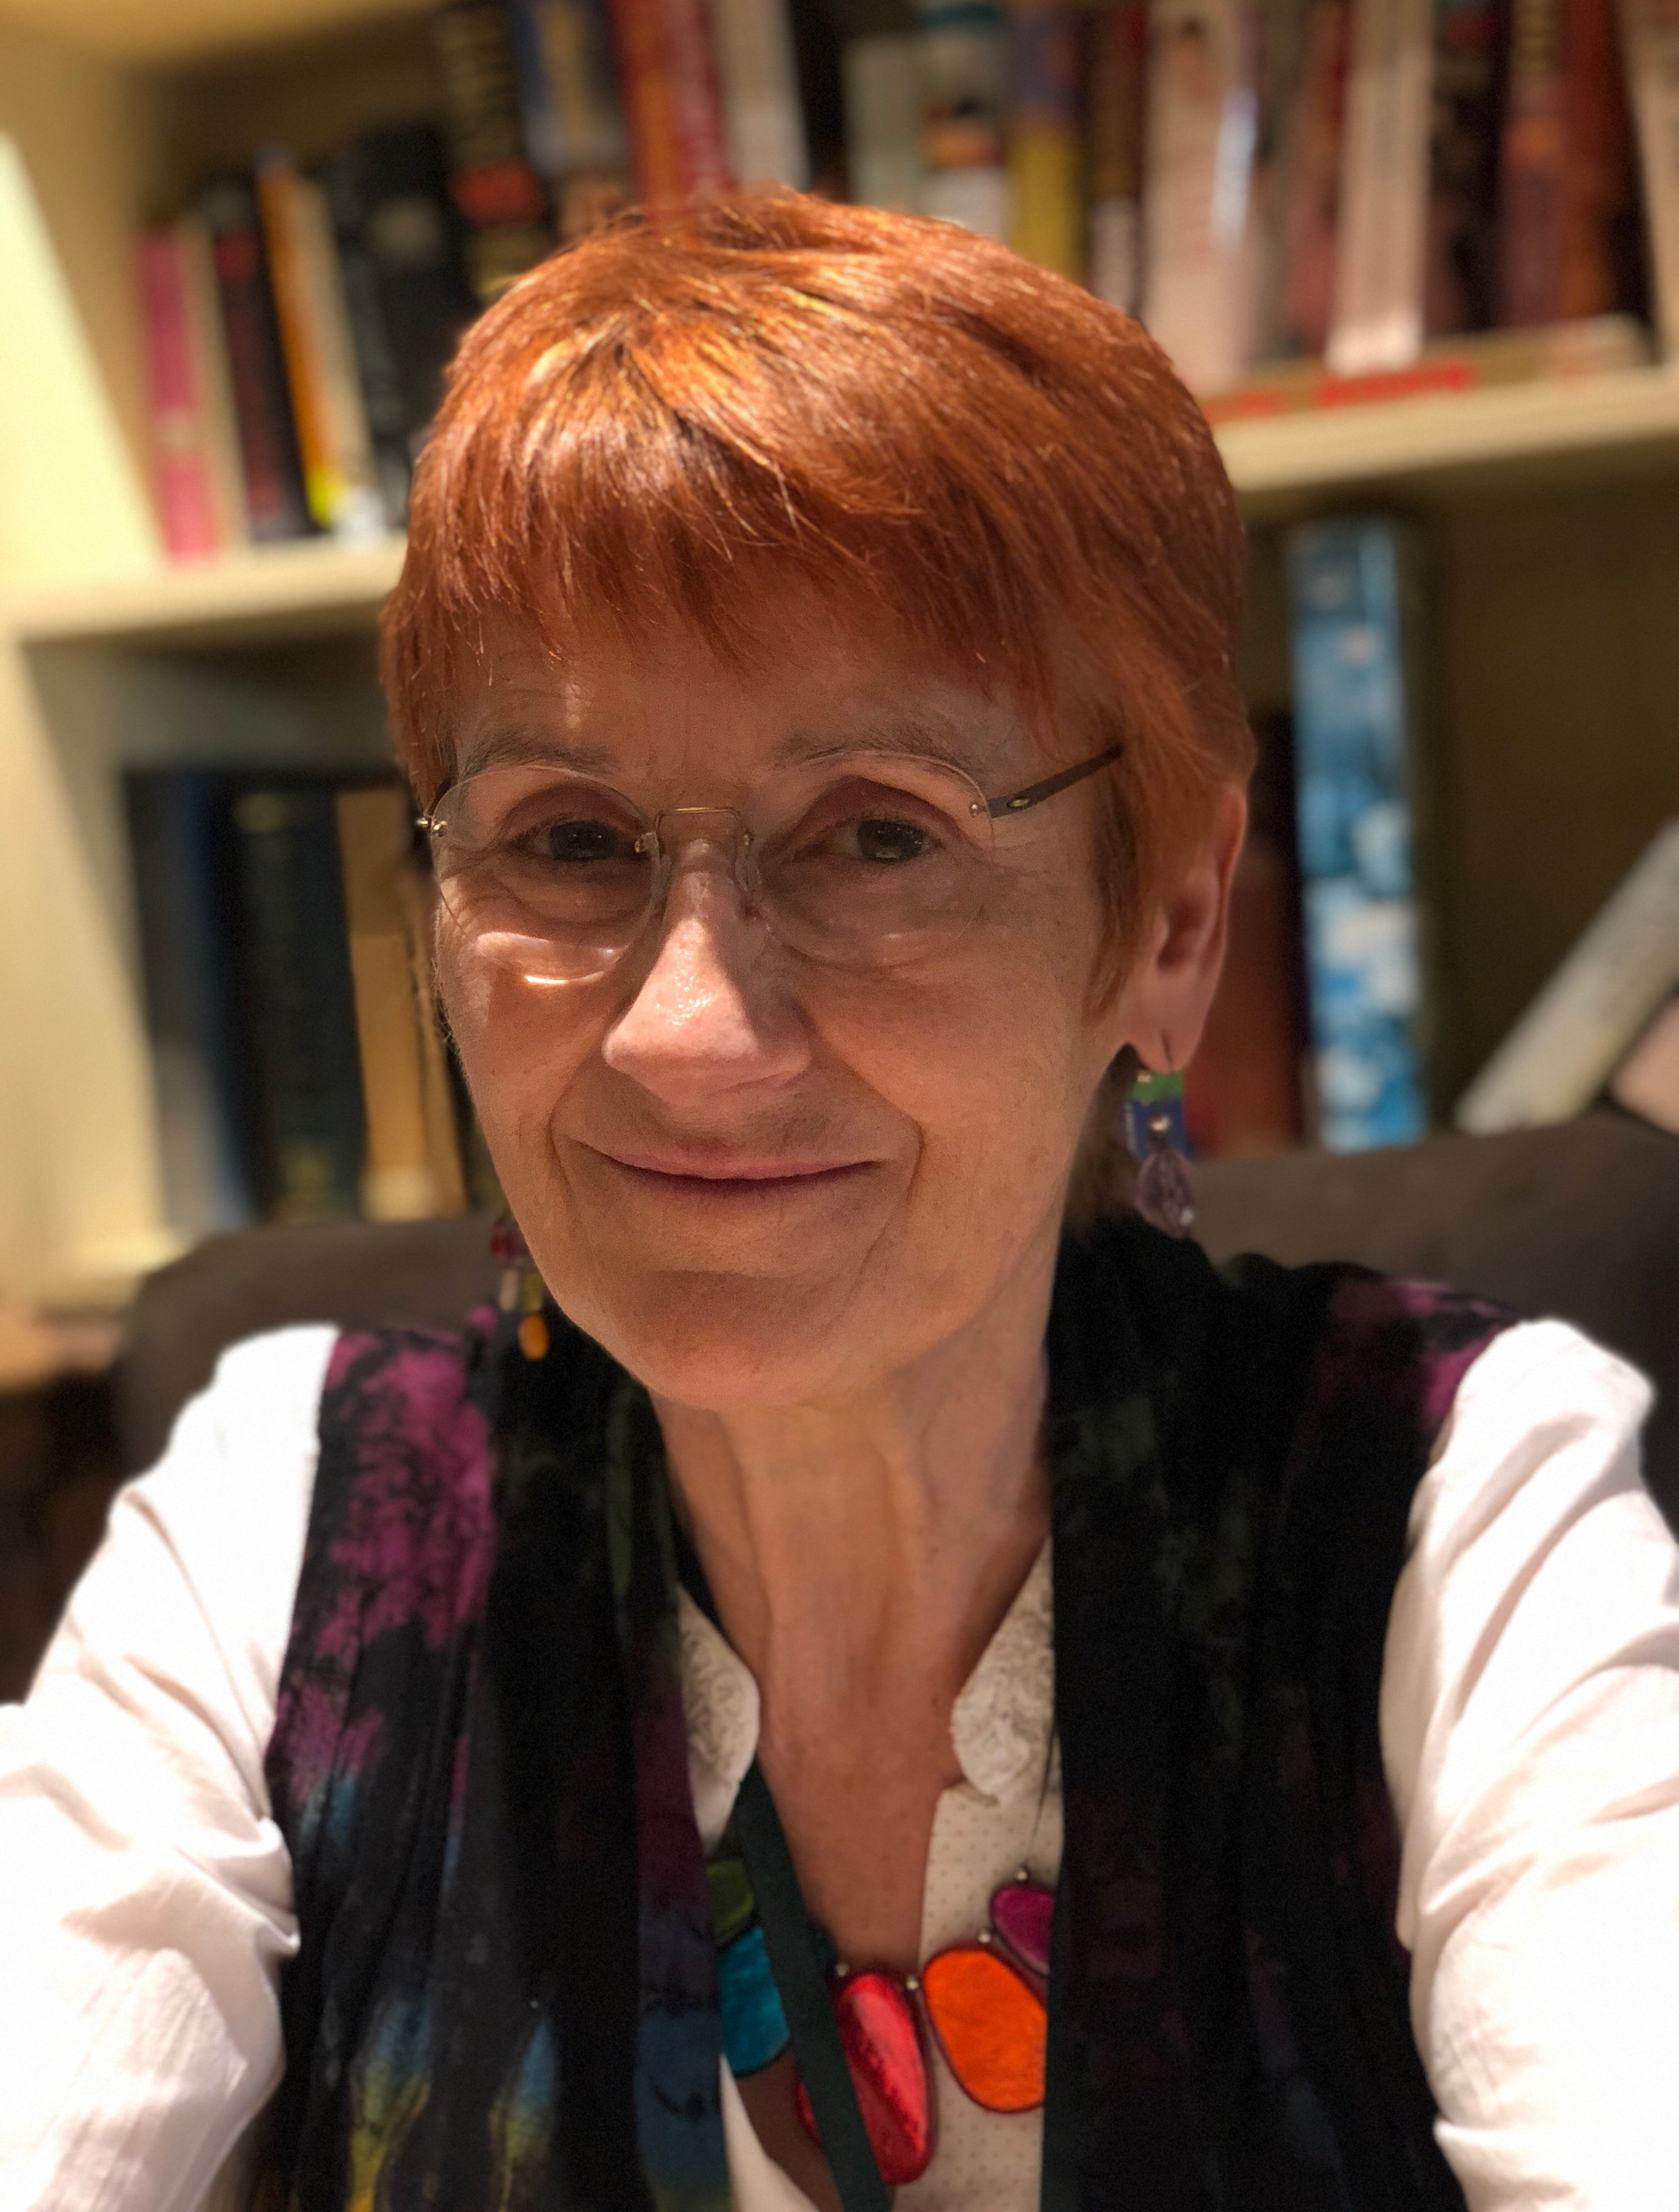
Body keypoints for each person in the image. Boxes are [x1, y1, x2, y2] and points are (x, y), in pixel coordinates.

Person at [3, 192, 1676, 2212]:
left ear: (1168, 920)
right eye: (567, 841)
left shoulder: (1448, 1500)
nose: (687, 1035)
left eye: (880, 836)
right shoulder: (280, 1527)